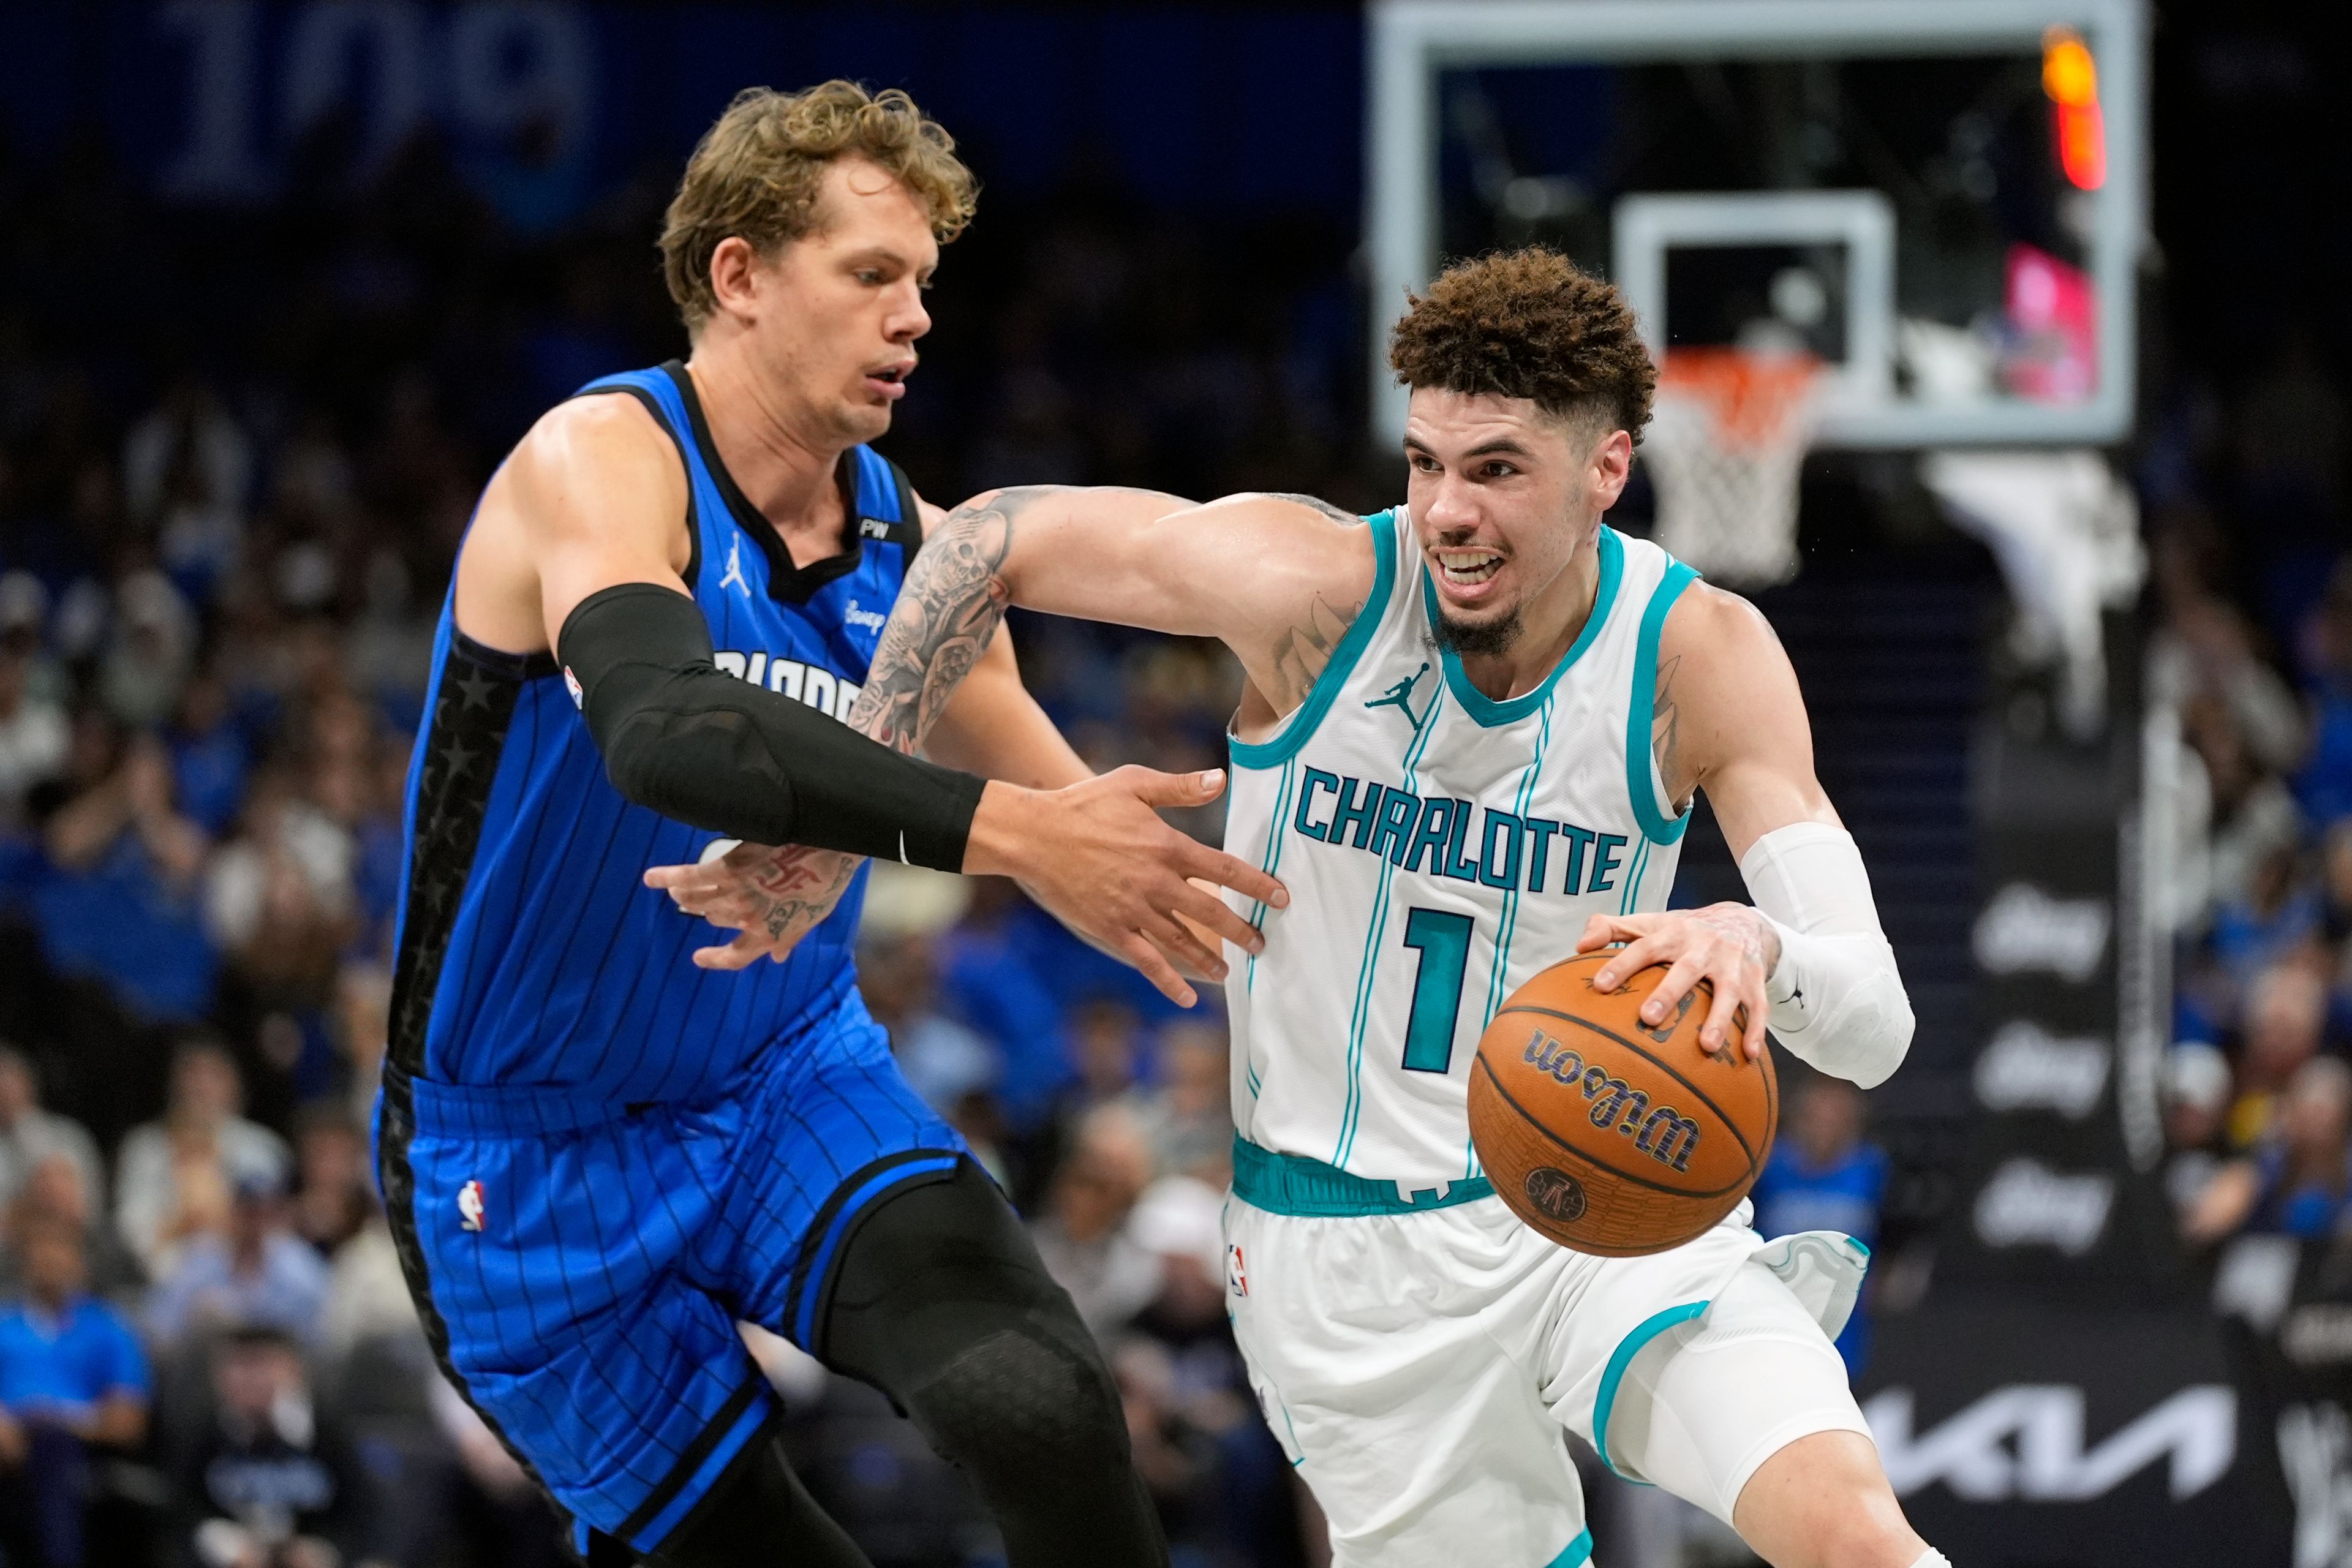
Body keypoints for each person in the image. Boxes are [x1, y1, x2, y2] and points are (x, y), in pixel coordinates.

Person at [660, 247, 1936, 1568]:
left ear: (1607, 469)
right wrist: (840, 820)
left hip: (1602, 1204)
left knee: (1852, 1532)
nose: (1446, 508)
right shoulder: (1317, 589)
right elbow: (984, 535)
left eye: (1496, 467)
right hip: (1345, 1256)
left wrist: (1752, 936)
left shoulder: (1696, 652)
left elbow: (1873, 1023)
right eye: (1426, 462)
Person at [380, 80, 1280, 1568]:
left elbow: (1080, 830)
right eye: (873, 275)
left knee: (1045, 1400)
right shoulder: (599, 462)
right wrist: (1006, 833)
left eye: (923, 283)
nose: (915, 316)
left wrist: (1236, 924)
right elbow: (667, 732)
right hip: (521, 1154)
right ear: (738, 277)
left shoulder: (906, 540)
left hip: (783, 1079)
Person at [0, 1213, 152, 1568]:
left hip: (78, 1453)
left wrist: (54, 1420)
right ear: (24, 1262)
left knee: (54, 1450)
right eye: (39, 1250)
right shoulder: (4, 1327)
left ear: (80, 1263)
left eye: (60, 1250)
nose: (50, 1259)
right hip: (5, 1450)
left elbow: (128, 1422)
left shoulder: (109, 1329)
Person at [170, 1325, 377, 1568]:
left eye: (263, 1363)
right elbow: (182, 1513)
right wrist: (223, 1543)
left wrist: (326, 1550)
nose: (250, 1378)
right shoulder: (203, 1432)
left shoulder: (329, 1432)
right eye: (238, 1365)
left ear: (294, 1371)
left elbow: (364, 1514)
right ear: (217, 1376)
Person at [1747, 1077, 1889, 1373]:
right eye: (1817, 1117)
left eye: (1836, 1118)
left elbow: (1893, 1235)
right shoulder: (1768, 1167)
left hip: (1845, 1322)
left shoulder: (1873, 1168)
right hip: (1772, 1315)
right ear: (1799, 1120)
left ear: (1852, 1124)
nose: (1825, 1127)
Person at [2184, 1055, 2352, 1243]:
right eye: (2306, 1115)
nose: (2313, 1126)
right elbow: (2239, 1184)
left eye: (2322, 1115)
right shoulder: (2273, 1159)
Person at [0, 1042, 104, 1215]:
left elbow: (89, 1204)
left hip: (73, 1236)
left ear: (28, 1084)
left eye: (10, 1082)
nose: (5, 1094)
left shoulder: (68, 1135)